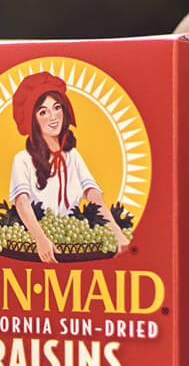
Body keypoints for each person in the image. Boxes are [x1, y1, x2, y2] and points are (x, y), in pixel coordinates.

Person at [8, 71, 132, 263]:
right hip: (39, 245)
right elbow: (22, 202)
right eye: (43, 111)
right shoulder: (22, 159)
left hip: (71, 241)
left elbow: (92, 194)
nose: (53, 116)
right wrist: (40, 239)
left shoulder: (73, 156)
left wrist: (116, 230)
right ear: (33, 120)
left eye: (57, 107)